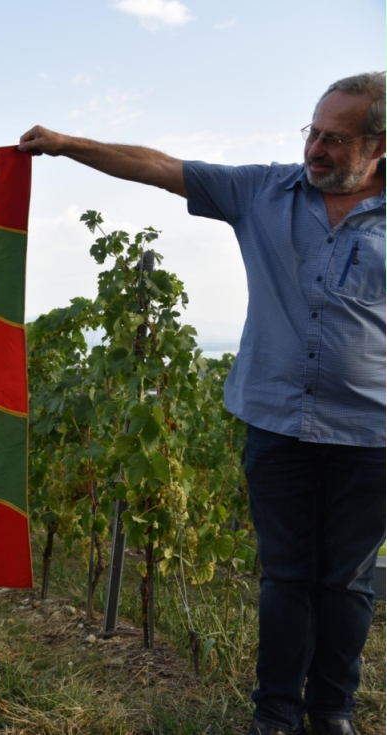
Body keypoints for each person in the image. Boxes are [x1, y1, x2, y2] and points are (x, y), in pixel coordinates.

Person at [19, 72, 385, 735]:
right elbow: (160, 167)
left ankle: (331, 711)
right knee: (285, 576)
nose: (316, 148)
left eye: (335, 138)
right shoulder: (262, 190)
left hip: (371, 431)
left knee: (347, 582)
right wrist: (68, 144)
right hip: (276, 422)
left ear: (378, 144)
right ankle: (273, 713)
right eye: (312, 131)